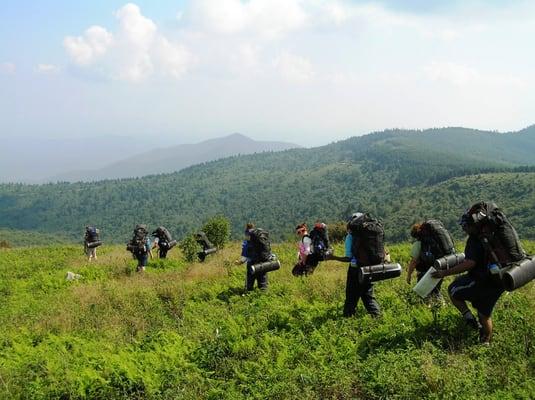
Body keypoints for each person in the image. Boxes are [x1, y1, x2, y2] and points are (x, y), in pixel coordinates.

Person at [432, 208, 507, 344]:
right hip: (499, 280)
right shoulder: (493, 235)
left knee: (453, 290)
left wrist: (444, 273)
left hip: (482, 280)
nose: (464, 229)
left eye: (466, 226)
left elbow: (470, 263)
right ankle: (485, 342)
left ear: (474, 225)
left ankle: (470, 320)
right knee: (484, 314)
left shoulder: (475, 240)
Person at [329, 213, 381, 318]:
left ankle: (347, 320)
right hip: (370, 268)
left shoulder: (351, 236)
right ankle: (377, 318)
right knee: (368, 296)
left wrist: (333, 257)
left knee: (351, 296)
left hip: (356, 269)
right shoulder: (371, 233)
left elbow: (349, 258)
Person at [406, 222, 448, 304]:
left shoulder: (418, 244)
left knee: (423, 294)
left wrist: (409, 275)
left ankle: (428, 310)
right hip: (439, 268)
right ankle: (441, 307)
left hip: (425, 272)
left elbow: (414, 261)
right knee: (436, 291)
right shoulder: (435, 241)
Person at [236, 223, 270, 291]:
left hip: (252, 264)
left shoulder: (248, 237)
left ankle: (248, 296)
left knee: (249, 284)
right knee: (263, 284)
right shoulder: (260, 236)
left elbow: (245, 256)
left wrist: (239, 262)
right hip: (263, 263)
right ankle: (264, 296)